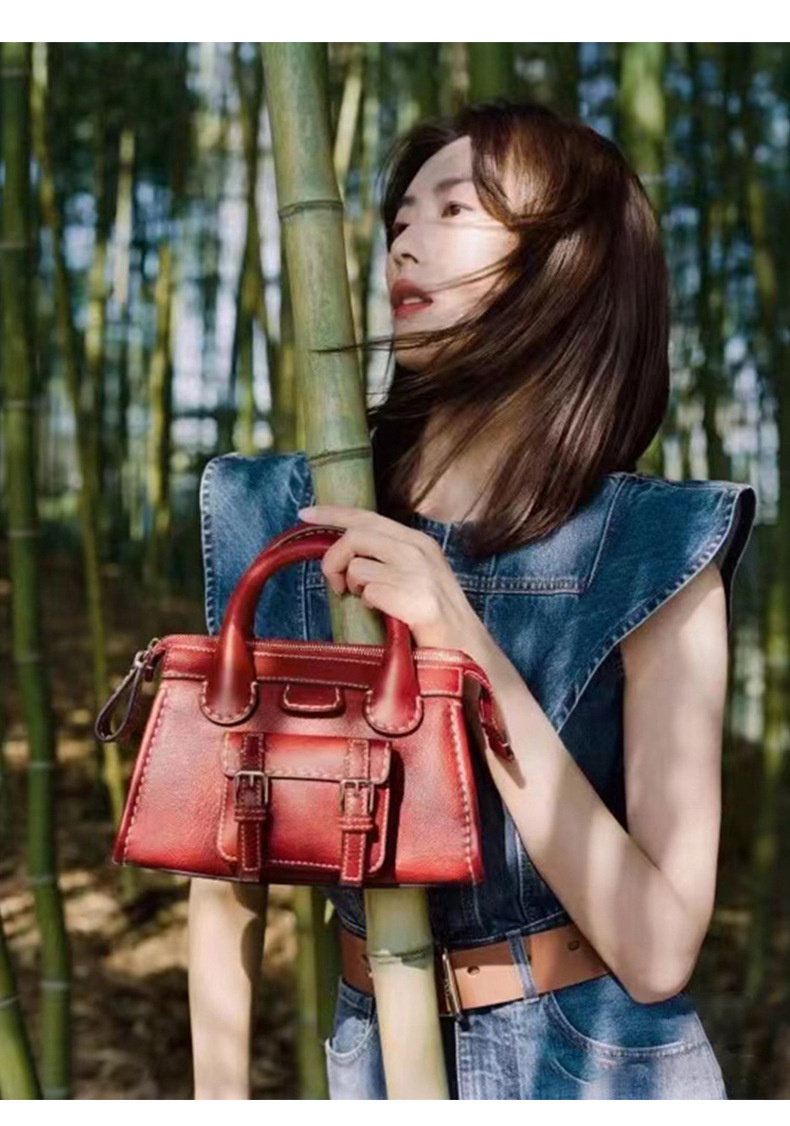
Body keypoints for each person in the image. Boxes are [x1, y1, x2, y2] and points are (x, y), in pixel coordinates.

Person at [189, 98, 757, 1099]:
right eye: (401, 215)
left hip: (592, 1064)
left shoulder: (660, 547)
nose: (404, 241)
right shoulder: (280, 512)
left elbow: (659, 947)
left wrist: (460, 637)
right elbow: (226, 872)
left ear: (570, 262)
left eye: (454, 209)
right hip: (369, 1052)